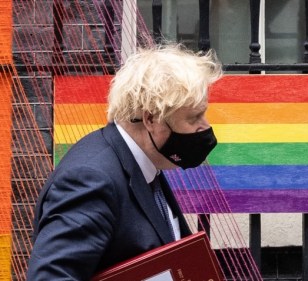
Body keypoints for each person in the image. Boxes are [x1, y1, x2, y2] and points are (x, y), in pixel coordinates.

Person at [26, 43, 223, 280]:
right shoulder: (91, 179)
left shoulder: (146, 165)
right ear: (151, 119)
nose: (205, 127)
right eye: (194, 118)